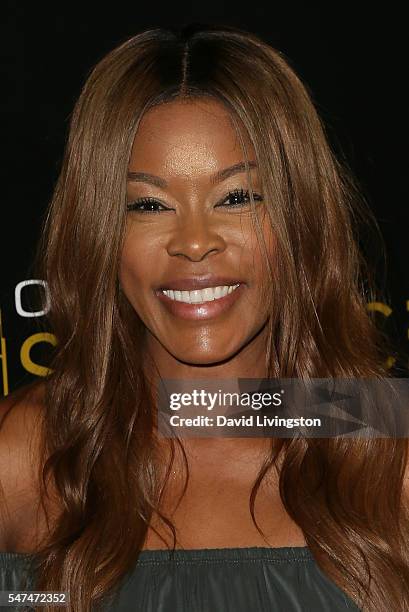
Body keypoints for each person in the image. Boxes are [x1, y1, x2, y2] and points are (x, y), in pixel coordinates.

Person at [0, 22, 408, 612]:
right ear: (100, 232)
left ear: (301, 217)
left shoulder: (385, 440)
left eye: (238, 197)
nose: (194, 242)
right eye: (147, 204)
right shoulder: (25, 453)